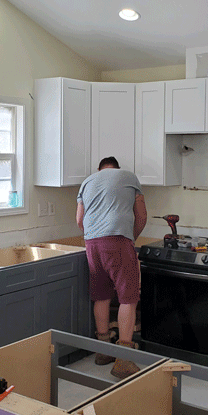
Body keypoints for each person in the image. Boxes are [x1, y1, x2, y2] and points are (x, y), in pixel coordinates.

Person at [76, 156, 147, 379]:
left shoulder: (87, 181)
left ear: (99, 169)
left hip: (92, 244)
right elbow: (142, 216)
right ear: (117, 168)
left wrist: (94, 237)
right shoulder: (129, 177)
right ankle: (124, 359)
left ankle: (103, 350)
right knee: (128, 298)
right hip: (118, 240)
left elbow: (79, 219)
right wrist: (131, 238)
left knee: (101, 296)